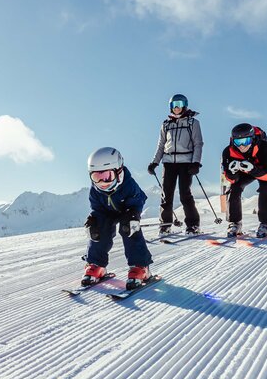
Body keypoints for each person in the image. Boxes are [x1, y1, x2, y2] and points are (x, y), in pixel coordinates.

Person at [83, 146, 154, 290]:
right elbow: (97, 208)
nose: (103, 183)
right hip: (107, 211)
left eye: (107, 176)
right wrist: (94, 218)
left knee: (129, 228)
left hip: (128, 210)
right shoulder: (95, 190)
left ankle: (140, 267)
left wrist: (133, 214)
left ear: (119, 171)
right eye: (97, 177)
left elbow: (137, 201)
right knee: (98, 228)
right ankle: (96, 264)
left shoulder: (129, 185)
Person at [147, 93, 204, 236]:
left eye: (179, 104)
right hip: (169, 163)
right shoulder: (166, 124)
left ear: (184, 105)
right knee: (166, 195)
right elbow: (161, 145)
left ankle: (193, 225)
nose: (176, 108)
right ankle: (165, 225)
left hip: (186, 163)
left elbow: (198, 143)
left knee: (185, 195)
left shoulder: (192, 123)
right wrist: (155, 162)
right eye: (173, 105)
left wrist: (196, 162)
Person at [222, 124, 267, 238]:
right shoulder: (228, 152)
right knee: (234, 188)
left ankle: (266, 223)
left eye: (245, 141)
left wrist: (253, 169)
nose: (242, 146)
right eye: (238, 142)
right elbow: (229, 179)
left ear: (252, 138)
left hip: (264, 170)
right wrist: (231, 173)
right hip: (243, 171)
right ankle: (235, 222)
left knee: (266, 187)